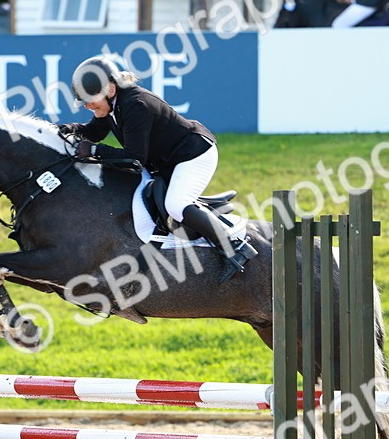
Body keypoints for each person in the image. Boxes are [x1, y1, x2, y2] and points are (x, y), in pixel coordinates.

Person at [57, 56, 257, 282]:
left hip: (194, 154)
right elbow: (93, 132)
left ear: (111, 89)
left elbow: (134, 158)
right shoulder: (113, 106)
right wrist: (63, 130)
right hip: (167, 159)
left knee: (176, 205)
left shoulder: (135, 104)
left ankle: (235, 245)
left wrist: (94, 151)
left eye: (90, 100)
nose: (87, 106)